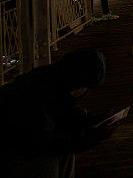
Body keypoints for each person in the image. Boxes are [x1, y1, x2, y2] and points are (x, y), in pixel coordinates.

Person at [0, 48, 116, 178]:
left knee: (71, 134)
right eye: (86, 88)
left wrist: (93, 121)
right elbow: (45, 143)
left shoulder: (52, 79)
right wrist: (92, 136)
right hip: (10, 150)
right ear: (77, 83)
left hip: (22, 140)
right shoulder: (35, 97)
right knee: (49, 159)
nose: (87, 93)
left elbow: (63, 115)